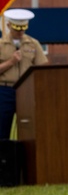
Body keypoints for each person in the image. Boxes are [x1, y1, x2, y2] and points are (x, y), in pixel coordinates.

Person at [0, 8, 49, 139]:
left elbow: (43, 68)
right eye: (17, 28)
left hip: (26, 91)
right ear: (9, 25)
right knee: (2, 129)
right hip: (4, 90)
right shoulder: (1, 44)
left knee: (29, 128)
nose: (21, 32)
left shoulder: (33, 44)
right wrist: (11, 62)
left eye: (23, 28)